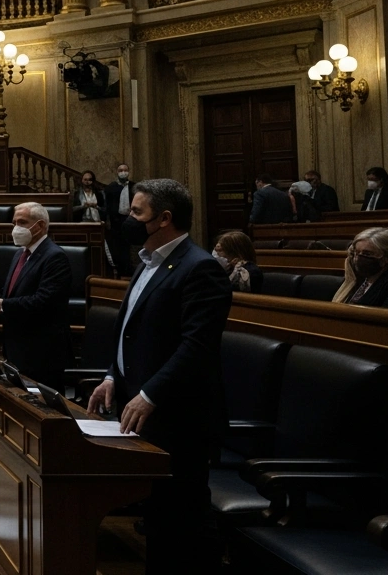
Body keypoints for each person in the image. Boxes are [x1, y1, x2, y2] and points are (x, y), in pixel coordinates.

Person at [87, 178, 230, 574]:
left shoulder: (200, 268)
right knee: (160, 519)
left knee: (179, 523)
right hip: (142, 413)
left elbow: (196, 347)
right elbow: (132, 333)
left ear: (164, 218)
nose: (128, 219)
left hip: (179, 417)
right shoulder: (147, 262)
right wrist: (113, 376)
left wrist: (150, 394)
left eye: (137, 212)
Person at [0, 203, 72, 390]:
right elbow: (13, 290)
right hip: (17, 346)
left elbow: (44, 301)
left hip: (41, 351)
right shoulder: (20, 254)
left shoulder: (55, 256)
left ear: (39, 226)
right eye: (14, 222)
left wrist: (3, 304)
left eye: (22, 222)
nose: (16, 228)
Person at [331, 227, 388, 310]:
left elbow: (386, 320)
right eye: (357, 252)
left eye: (367, 254)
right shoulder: (358, 276)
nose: (358, 258)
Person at [104, 163, 137, 277]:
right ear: (117, 172)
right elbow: (107, 206)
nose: (123, 172)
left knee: (129, 245)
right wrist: (108, 220)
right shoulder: (110, 187)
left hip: (130, 219)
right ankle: (120, 269)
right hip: (115, 221)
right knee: (117, 246)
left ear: (129, 171)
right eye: (120, 170)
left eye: (125, 170)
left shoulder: (134, 186)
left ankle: (129, 270)